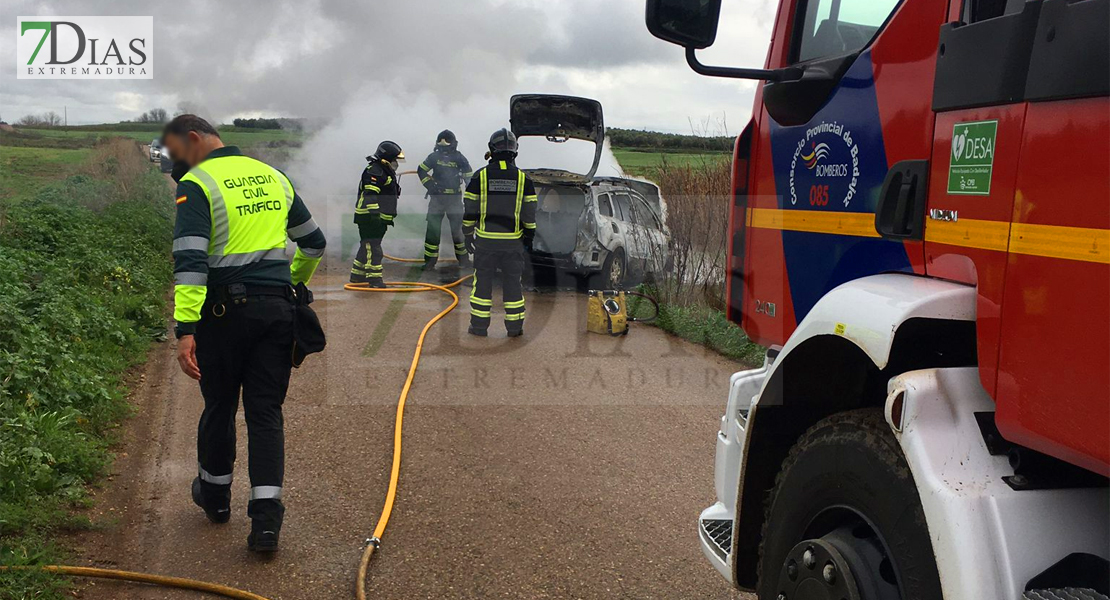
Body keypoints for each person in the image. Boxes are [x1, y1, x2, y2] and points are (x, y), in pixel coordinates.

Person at [165, 114, 326, 552]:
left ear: (194, 139)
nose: (176, 165)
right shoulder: (274, 177)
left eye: (176, 153)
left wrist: (185, 329)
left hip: (223, 314)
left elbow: (191, 264)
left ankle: (215, 500)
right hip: (278, 313)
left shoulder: (198, 183)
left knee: (219, 405)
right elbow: (314, 243)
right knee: (265, 414)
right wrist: (291, 282)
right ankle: (266, 524)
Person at [462, 128, 537, 337]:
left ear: (491, 149)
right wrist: (529, 236)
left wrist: (468, 234)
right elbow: (529, 213)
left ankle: (478, 327)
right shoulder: (524, 179)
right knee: (513, 284)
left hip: (485, 244)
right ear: (515, 151)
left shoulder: (480, 176)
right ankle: (514, 328)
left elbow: (469, 210)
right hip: (513, 245)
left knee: (482, 285)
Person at [416, 130, 473, 272]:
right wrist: (429, 185)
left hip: (454, 199)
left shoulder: (460, 158)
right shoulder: (434, 157)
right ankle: (429, 262)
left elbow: (469, 179)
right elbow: (421, 170)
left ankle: (464, 261)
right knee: (433, 230)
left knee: (458, 230)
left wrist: (471, 198)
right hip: (438, 199)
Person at [350, 141, 403, 288]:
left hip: (379, 218)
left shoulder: (384, 170)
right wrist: (374, 215)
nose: (396, 163)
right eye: (394, 160)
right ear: (386, 158)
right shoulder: (375, 171)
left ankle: (357, 275)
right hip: (369, 217)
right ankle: (374, 279)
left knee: (367, 245)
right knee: (373, 248)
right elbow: (370, 195)